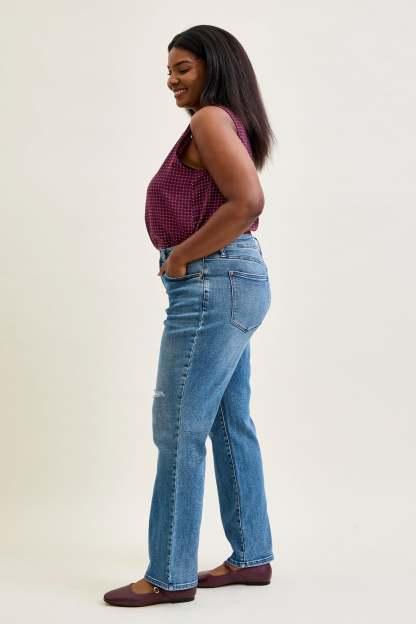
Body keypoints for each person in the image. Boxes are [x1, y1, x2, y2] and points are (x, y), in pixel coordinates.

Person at [104, 24, 277, 608]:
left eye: (183, 68)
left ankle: (170, 573)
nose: (172, 80)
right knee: (229, 421)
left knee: (178, 428)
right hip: (233, 281)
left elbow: (248, 202)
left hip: (211, 282)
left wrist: (179, 257)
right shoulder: (227, 121)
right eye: (169, 70)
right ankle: (251, 555)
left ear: (213, 66)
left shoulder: (209, 119)